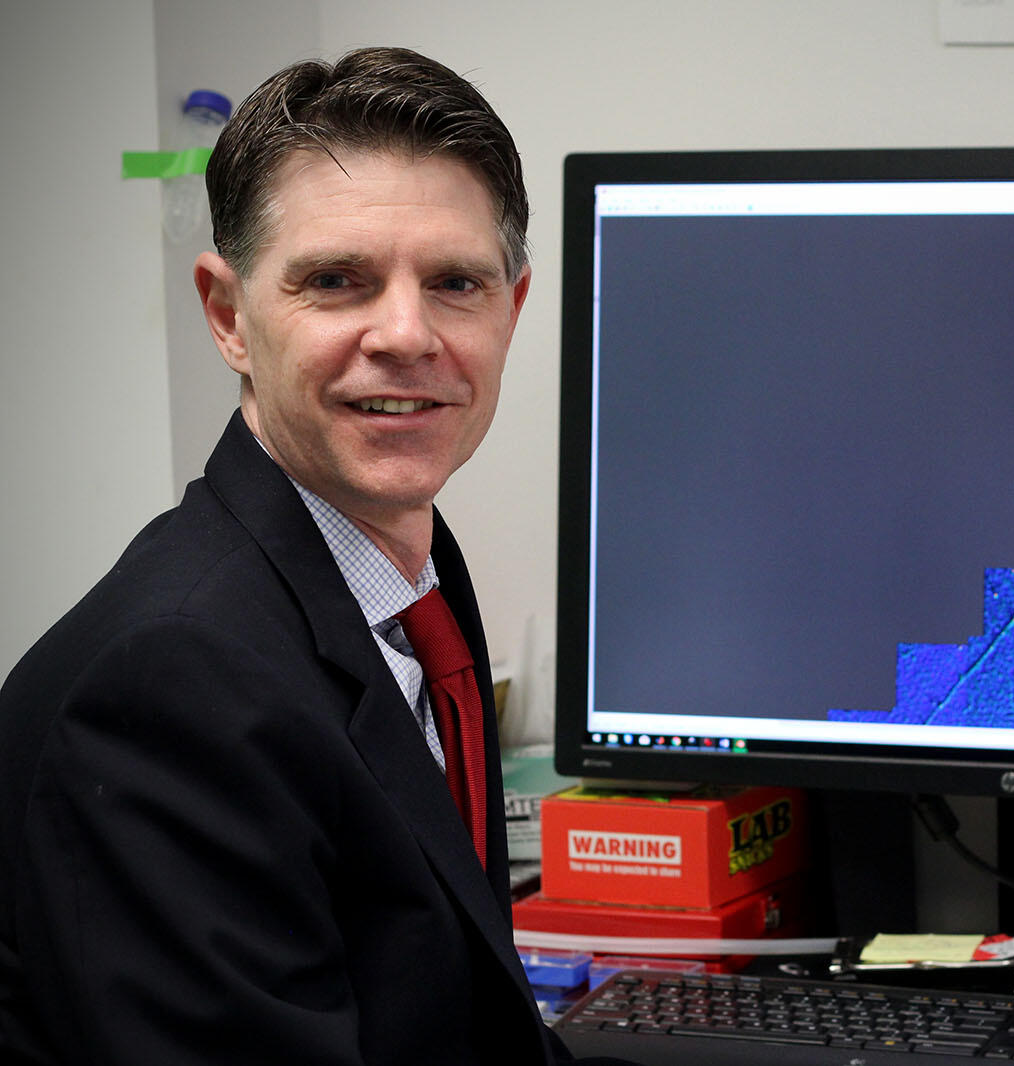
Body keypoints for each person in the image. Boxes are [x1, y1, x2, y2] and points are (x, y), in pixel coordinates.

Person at [0, 47, 637, 1065]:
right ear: (228, 316)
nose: (404, 333)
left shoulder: (406, 573)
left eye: (454, 282)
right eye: (336, 281)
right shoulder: (173, 682)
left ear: (511, 312)